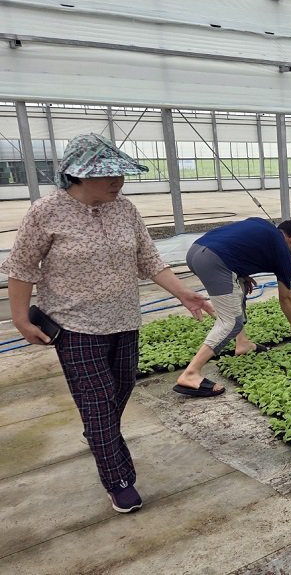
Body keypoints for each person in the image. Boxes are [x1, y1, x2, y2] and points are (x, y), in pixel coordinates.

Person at [1, 133, 214, 514]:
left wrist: (183, 292)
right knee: (98, 403)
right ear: (77, 176)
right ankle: (119, 480)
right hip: (74, 325)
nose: (118, 181)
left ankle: (99, 436)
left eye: (120, 174)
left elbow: (148, 259)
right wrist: (19, 318)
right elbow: (21, 267)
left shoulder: (125, 209)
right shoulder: (45, 212)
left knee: (117, 392)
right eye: (107, 175)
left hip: (124, 320)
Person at [174, 217, 291, 397]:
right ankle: (190, 374)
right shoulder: (283, 251)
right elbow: (285, 297)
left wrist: (242, 274)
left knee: (241, 286)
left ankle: (242, 343)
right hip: (214, 260)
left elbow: (237, 244)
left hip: (195, 251)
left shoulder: (262, 225)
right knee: (231, 322)